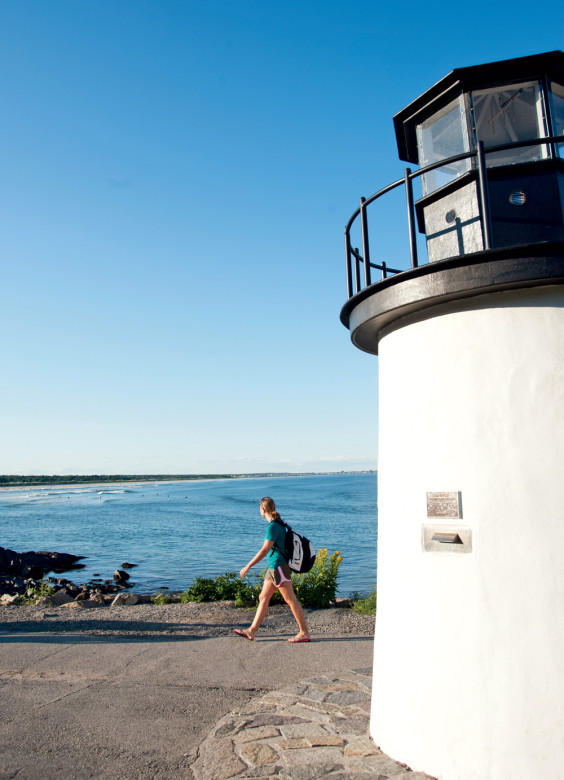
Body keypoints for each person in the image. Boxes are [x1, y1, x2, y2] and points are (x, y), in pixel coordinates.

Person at [233, 496, 311, 643]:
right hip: (273, 568)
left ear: (263, 510)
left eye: (259, 509)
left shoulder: (273, 527)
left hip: (278, 567)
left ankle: (304, 632)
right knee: (263, 597)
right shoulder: (278, 524)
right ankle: (251, 631)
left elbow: (264, 550)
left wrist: (248, 566)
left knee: (290, 599)